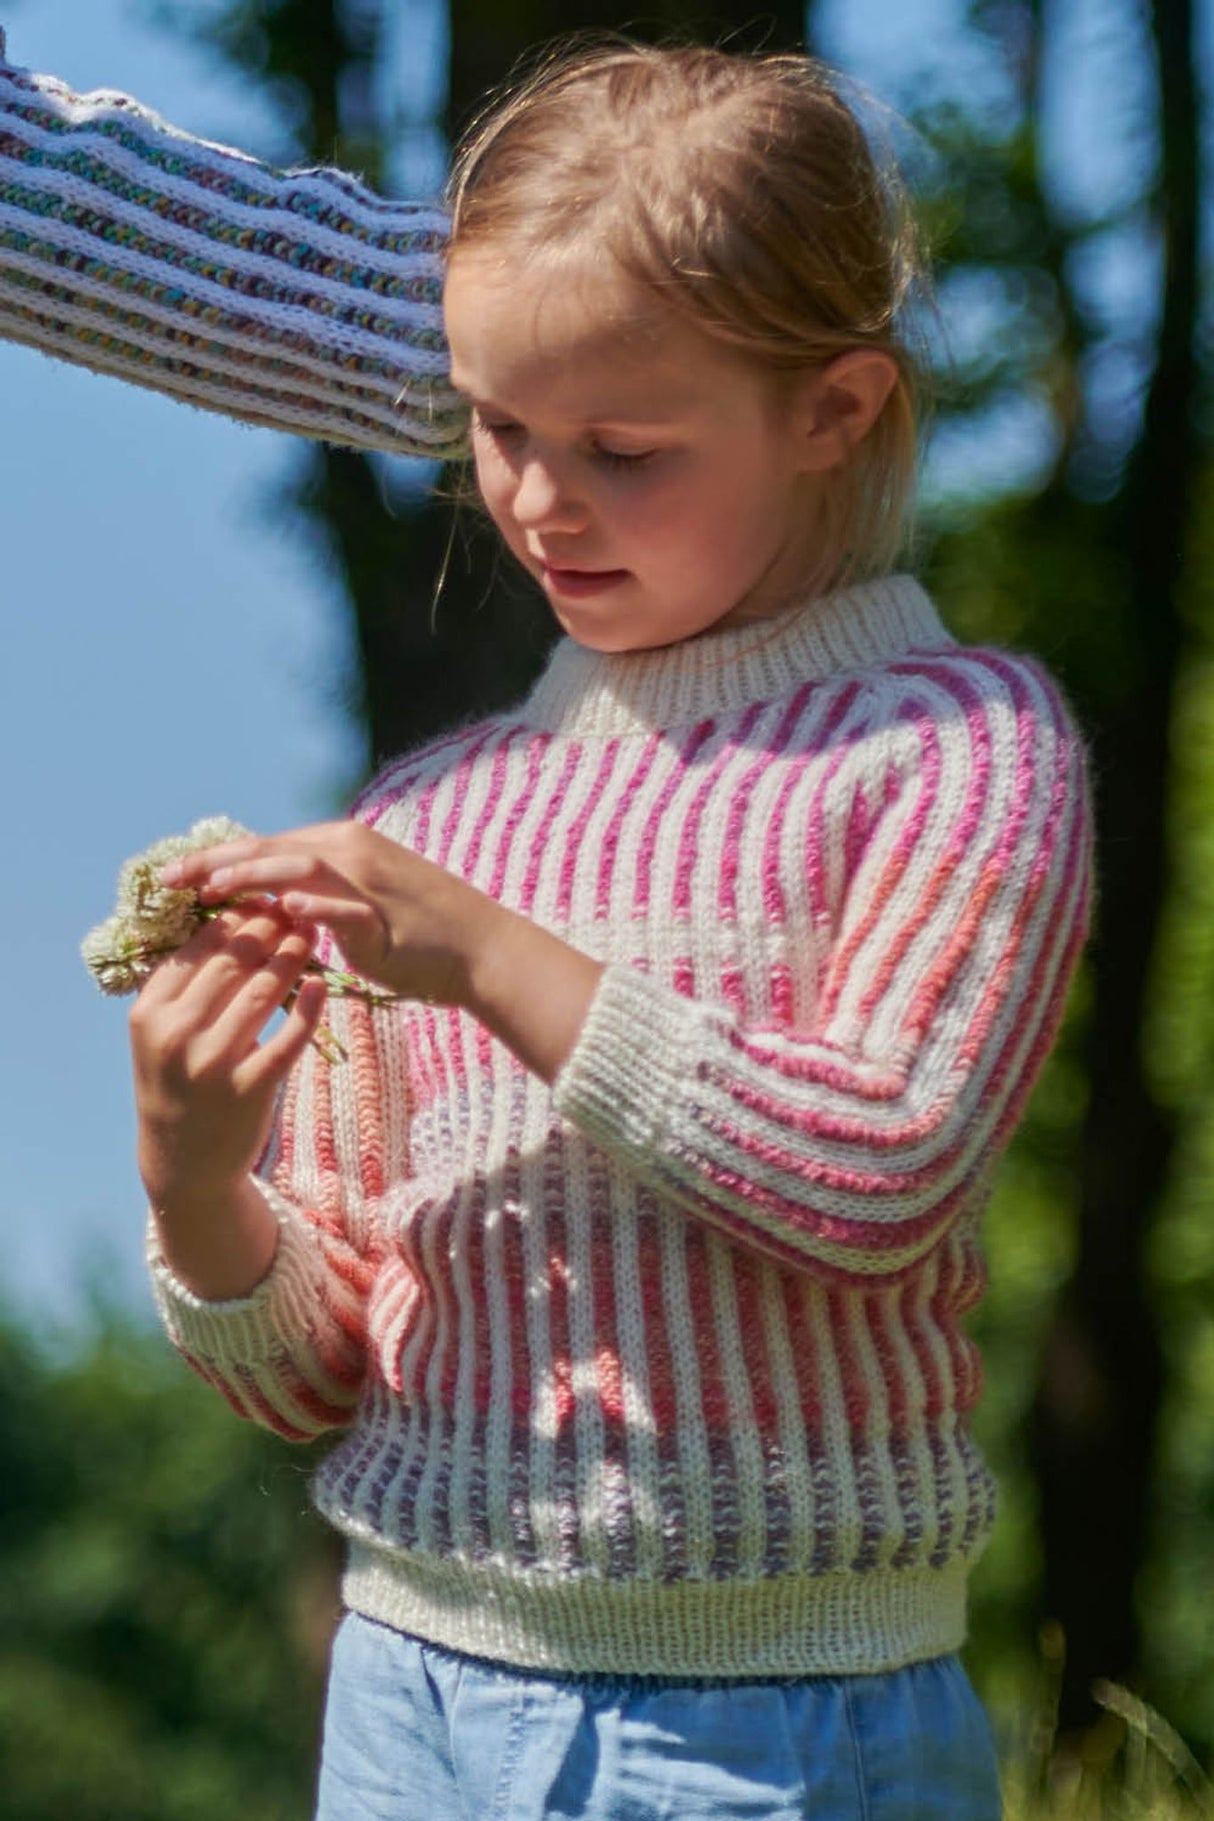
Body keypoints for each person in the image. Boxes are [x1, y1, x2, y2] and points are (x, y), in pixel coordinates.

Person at [13, 31, 1093, 1821]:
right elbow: (327, 1365)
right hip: (405, 1699)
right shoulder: (435, 813)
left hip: (762, 1725)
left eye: (620, 447)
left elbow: (881, 1164)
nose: (533, 495)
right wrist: (198, 1182)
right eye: (498, 427)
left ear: (833, 407)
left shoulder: (951, 748)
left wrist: (494, 957)